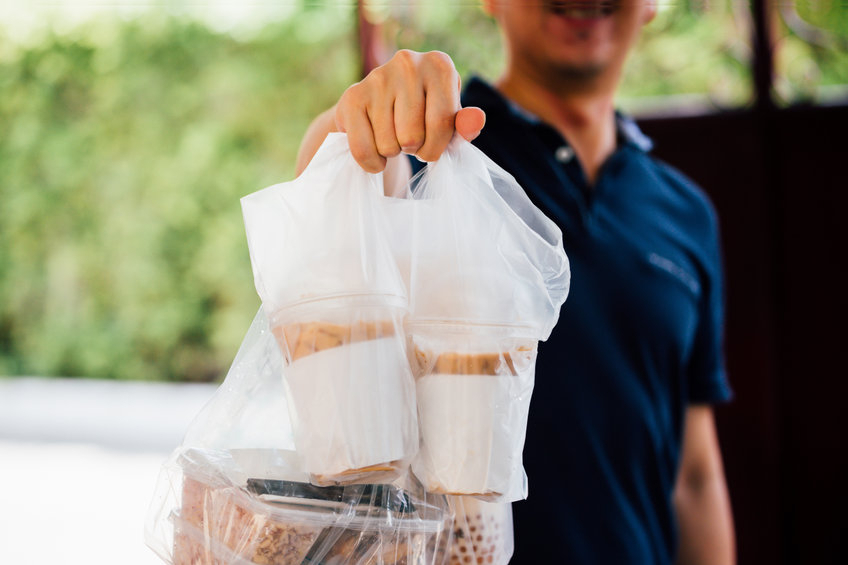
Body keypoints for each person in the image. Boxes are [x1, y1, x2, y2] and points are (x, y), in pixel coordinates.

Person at [296, 1, 736, 563]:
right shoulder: (434, 148)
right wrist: (352, 120)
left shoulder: (685, 212)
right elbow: (338, 212)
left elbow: (694, 474)